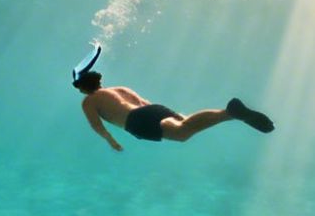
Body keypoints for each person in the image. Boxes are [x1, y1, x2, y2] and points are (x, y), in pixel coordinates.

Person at [70, 44, 273, 151]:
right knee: (186, 124)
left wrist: (110, 141)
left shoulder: (89, 101)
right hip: (153, 109)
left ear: (82, 87)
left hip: (135, 120)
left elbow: (96, 125)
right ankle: (228, 114)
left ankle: (230, 113)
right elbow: (145, 104)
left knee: (182, 134)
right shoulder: (119, 88)